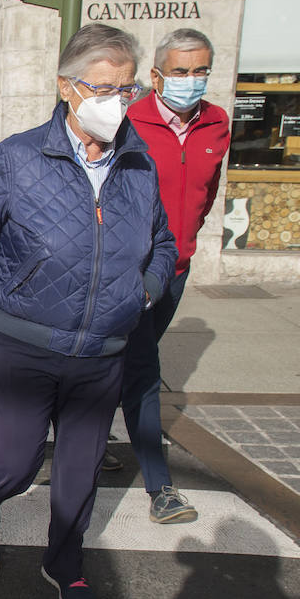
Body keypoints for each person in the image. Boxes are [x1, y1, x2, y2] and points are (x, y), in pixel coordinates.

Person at [0, 23, 177, 599]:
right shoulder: (18, 157)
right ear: (66, 87)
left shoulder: (138, 164)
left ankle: (65, 560)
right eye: (103, 88)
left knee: (80, 469)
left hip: (103, 349)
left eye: (126, 90)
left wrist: (141, 293)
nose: (117, 102)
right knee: (15, 461)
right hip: (20, 344)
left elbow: (164, 245)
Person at [116, 28, 230, 524]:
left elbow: (205, 196)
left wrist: (184, 246)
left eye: (199, 70)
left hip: (177, 268)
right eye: (180, 72)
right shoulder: (128, 120)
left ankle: (86, 435)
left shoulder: (219, 124)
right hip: (130, 270)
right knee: (143, 369)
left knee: (122, 363)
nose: (191, 80)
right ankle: (160, 485)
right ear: (157, 76)